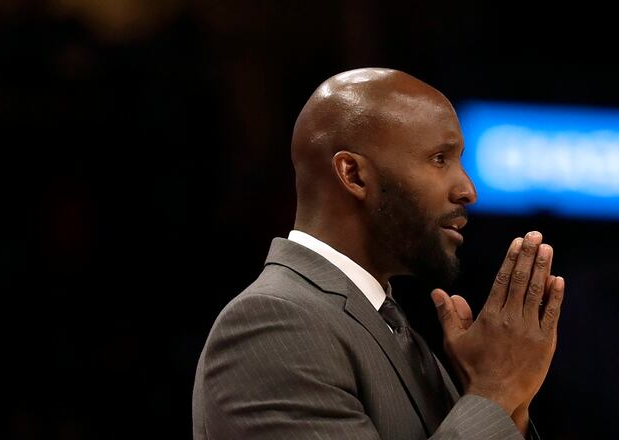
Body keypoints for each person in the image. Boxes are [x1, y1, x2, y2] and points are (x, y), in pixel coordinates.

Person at [192, 67, 565, 440]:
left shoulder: (391, 328)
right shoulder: (272, 323)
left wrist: (512, 403)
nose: (468, 190)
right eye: (439, 159)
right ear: (353, 174)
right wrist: (495, 391)